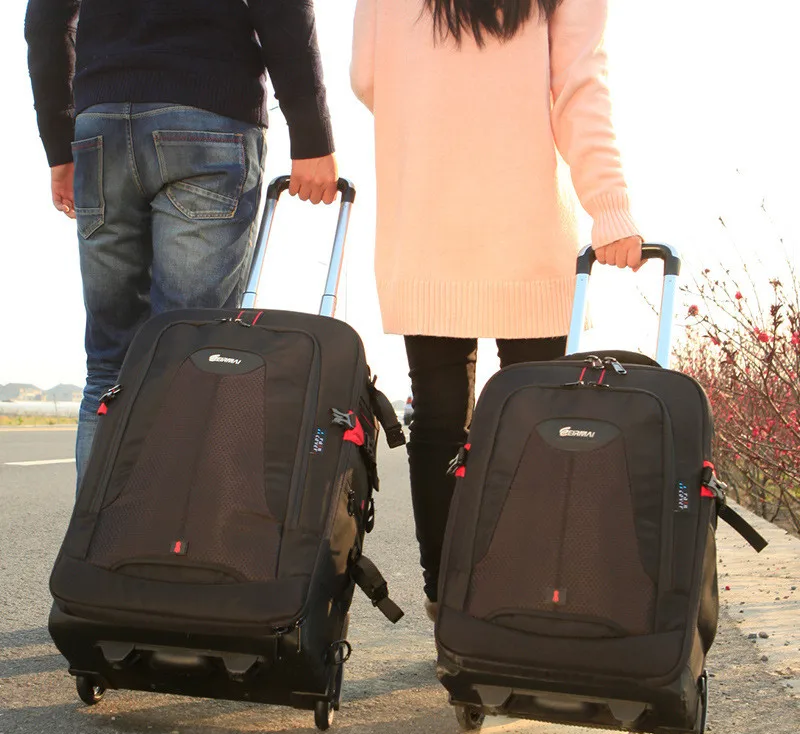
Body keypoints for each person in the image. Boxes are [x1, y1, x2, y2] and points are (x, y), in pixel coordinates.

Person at [351, 0, 644, 619]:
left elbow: (366, 76)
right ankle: (523, 601)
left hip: (425, 217)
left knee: (437, 421)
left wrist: (436, 116)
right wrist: (610, 208)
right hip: (527, 221)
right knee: (538, 424)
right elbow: (580, 89)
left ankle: (447, 600)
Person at [25, 0, 339, 484]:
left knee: (109, 364)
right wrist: (312, 134)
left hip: (101, 126)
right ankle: (168, 529)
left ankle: (97, 531)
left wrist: (59, 145)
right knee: (192, 357)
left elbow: (46, 19)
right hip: (208, 115)